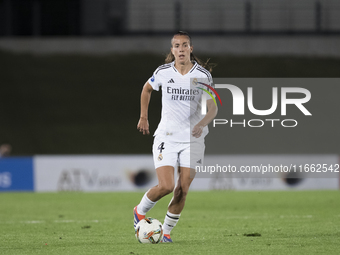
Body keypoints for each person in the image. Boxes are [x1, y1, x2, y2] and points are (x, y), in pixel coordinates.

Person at [135, 31, 217, 243]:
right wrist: (143, 117)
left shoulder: (203, 75)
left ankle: (167, 233)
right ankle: (139, 211)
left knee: (182, 189)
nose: (181, 49)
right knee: (166, 186)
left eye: (185, 45)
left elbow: (212, 108)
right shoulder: (163, 72)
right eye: (177, 46)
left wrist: (202, 123)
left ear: (191, 49)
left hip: (193, 140)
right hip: (167, 137)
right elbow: (146, 89)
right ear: (172, 51)